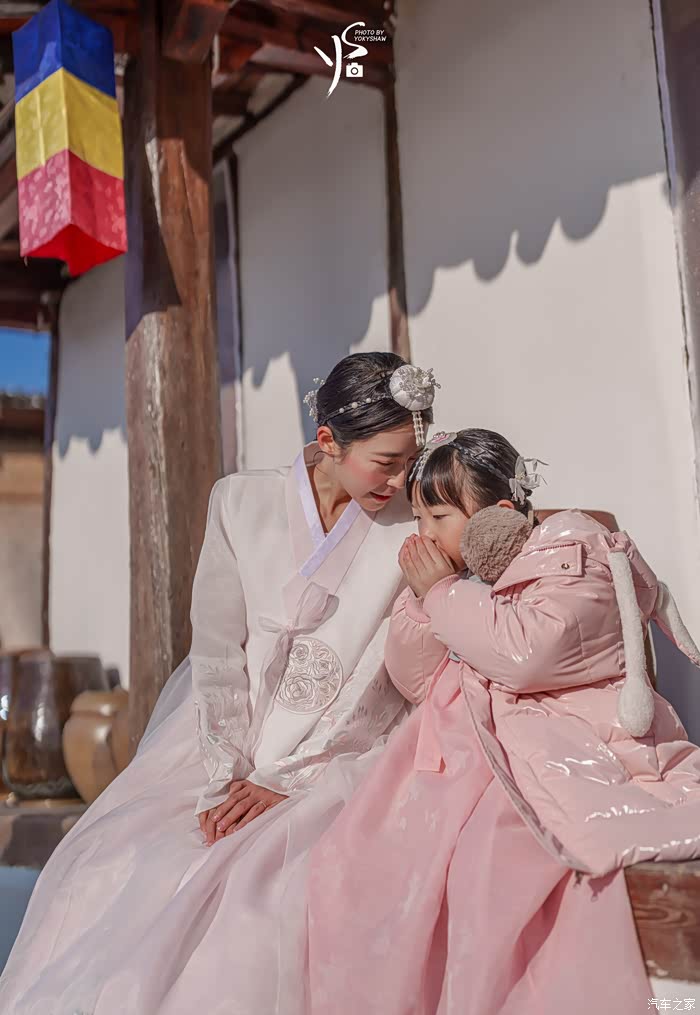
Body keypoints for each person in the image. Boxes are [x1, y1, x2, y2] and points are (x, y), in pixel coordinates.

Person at [0, 351, 439, 1015]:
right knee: (123, 868)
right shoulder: (238, 501)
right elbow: (216, 646)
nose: (402, 478)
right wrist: (225, 772)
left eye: (411, 459)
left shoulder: (412, 522)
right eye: (386, 461)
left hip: (338, 749)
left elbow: (377, 672)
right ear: (328, 441)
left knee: (262, 898)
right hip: (224, 735)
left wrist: (284, 776)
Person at [307, 427, 700, 1014]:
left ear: (498, 517)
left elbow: (525, 652)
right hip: (482, 752)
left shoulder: (577, 560)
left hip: (578, 744)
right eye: (419, 518)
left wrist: (444, 594)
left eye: (439, 518)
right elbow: (417, 679)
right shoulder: (466, 584)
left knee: (491, 863)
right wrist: (420, 601)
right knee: (353, 861)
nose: (425, 534)